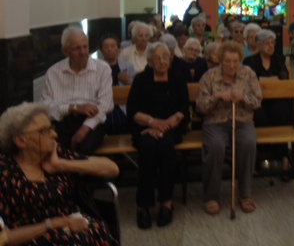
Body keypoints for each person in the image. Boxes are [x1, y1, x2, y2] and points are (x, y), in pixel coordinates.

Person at [0, 102, 119, 245]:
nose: (54, 134)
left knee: (98, 232)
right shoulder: (5, 173)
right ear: (20, 140)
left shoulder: (54, 155)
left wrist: (60, 165)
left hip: (76, 225)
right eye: (44, 131)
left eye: (52, 128)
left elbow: (112, 168)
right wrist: (55, 223)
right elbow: (4, 237)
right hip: (35, 236)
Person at [126, 43, 190, 229]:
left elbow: (183, 110)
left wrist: (164, 126)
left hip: (171, 128)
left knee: (165, 147)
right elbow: (132, 111)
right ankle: (143, 206)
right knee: (147, 147)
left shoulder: (178, 80)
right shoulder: (140, 80)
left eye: (166, 57)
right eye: (157, 58)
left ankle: (166, 202)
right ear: (150, 62)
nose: (162, 61)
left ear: (171, 59)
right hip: (144, 128)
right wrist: (153, 123)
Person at [196, 41, 262, 215]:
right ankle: (211, 196)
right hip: (215, 122)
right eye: (227, 61)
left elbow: (257, 102)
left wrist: (244, 98)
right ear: (220, 61)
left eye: (235, 61)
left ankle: (245, 194)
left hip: (242, 120)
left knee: (248, 142)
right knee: (216, 146)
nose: (232, 65)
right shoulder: (209, 76)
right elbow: (200, 107)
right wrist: (216, 97)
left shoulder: (248, 74)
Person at [42, 26, 113, 154]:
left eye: (85, 47)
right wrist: (73, 107)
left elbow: (105, 105)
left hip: (93, 122)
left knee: (84, 148)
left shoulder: (102, 69)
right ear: (65, 51)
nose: (83, 52)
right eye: (76, 48)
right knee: (57, 150)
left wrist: (84, 129)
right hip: (64, 121)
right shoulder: (53, 72)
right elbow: (46, 108)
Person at [242, 29, 292, 179]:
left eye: (273, 43)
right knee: (260, 117)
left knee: (281, 114)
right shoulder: (249, 61)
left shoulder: (279, 59)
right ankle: (258, 158)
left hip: (277, 99)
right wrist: (270, 81)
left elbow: (284, 79)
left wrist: (263, 82)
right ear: (259, 45)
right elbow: (251, 83)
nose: (271, 46)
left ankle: (284, 159)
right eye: (267, 43)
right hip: (258, 101)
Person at [99, 34, 136, 135]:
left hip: (124, 104)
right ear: (101, 50)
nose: (109, 49)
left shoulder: (128, 67)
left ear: (118, 48)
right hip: (105, 104)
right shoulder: (97, 69)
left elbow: (137, 88)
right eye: (106, 47)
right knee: (112, 121)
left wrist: (129, 81)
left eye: (113, 46)